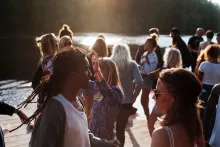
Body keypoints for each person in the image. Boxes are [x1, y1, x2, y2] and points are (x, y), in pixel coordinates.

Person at [12, 47, 120, 147]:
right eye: (86, 68)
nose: (90, 73)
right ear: (72, 73)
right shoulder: (55, 109)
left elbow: (83, 135)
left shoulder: (77, 102)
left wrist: (106, 144)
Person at [151, 68, 205, 147]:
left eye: (157, 93)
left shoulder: (162, 134)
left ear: (174, 98)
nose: (153, 97)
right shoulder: (195, 128)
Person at [84, 53, 123, 140]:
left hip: (106, 137)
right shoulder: (95, 86)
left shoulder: (116, 91)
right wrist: (85, 57)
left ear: (109, 72)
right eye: (95, 70)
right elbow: (82, 80)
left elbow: (109, 97)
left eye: (99, 70)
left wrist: (98, 72)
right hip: (93, 133)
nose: (95, 73)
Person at [110, 43, 142, 146]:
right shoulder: (132, 64)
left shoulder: (110, 63)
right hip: (127, 101)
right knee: (121, 129)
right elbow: (140, 82)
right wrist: (134, 95)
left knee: (109, 128)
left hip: (111, 101)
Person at [147, 48, 183, 135]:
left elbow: (150, 76)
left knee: (150, 123)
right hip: (175, 101)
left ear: (167, 57)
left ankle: (157, 141)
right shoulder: (181, 72)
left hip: (162, 100)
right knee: (172, 125)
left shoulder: (163, 70)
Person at [197, 44, 220, 119]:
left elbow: (199, 79)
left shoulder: (204, 64)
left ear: (208, 53)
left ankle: (201, 126)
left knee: (202, 108)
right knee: (214, 110)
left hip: (205, 88)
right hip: (217, 89)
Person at [139, 35, 158, 120]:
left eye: (146, 42)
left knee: (143, 99)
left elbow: (149, 71)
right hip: (141, 77)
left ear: (150, 44)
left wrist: (145, 61)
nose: (144, 44)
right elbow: (141, 66)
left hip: (147, 78)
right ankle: (147, 115)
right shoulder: (145, 53)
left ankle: (148, 116)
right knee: (142, 99)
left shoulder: (153, 56)